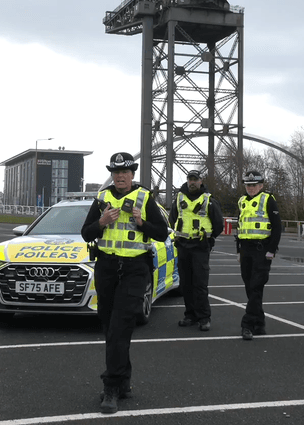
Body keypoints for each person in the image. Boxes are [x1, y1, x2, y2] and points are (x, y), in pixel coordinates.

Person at [81, 152, 169, 414]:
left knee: (120, 327)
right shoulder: (102, 199)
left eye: (125, 172)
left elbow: (162, 233)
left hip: (135, 269)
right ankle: (124, 381)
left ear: (132, 174)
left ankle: (111, 388)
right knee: (110, 327)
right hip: (107, 267)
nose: (120, 176)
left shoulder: (144, 198)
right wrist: (101, 222)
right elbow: (85, 232)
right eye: (116, 172)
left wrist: (142, 223)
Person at [169, 169, 224, 332]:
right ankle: (190, 315)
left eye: (195, 179)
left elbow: (218, 225)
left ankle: (204, 318)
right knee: (186, 284)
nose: (192, 182)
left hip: (200, 248)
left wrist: (209, 239)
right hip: (183, 246)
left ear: (201, 181)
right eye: (189, 179)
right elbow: (173, 219)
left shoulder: (208, 200)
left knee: (200, 284)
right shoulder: (179, 199)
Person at [234, 170, 281, 341]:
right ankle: (259, 322)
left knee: (256, 286)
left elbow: (277, 227)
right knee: (250, 286)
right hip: (246, 249)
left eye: (254, 185)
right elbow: (239, 226)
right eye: (248, 185)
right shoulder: (241, 201)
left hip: (262, 250)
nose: (251, 188)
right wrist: (238, 250)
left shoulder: (268, 199)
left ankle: (247, 324)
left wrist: (272, 250)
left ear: (261, 185)